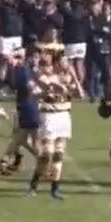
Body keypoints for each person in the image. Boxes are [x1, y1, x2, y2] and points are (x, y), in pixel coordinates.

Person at [30, 55, 81, 200]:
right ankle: (34, 183)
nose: (66, 65)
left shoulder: (67, 79)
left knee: (59, 154)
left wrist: (75, 78)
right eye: (63, 63)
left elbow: (80, 94)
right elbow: (32, 95)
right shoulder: (44, 78)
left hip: (63, 118)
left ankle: (55, 189)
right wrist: (48, 89)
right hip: (49, 117)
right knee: (47, 153)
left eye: (68, 63)